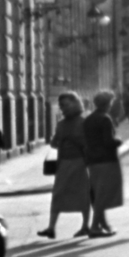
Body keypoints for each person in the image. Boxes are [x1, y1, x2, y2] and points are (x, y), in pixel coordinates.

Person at [38, 91, 92, 239]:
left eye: (66, 105)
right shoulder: (61, 124)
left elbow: (88, 144)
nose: (63, 109)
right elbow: (54, 143)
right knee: (57, 194)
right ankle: (51, 228)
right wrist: (60, 141)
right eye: (61, 106)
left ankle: (86, 226)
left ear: (75, 104)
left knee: (82, 195)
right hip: (63, 163)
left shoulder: (83, 122)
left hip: (79, 163)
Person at [83, 90, 123, 237]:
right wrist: (118, 140)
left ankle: (103, 224)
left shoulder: (89, 119)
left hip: (92, 160)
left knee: (99, 193)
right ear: (108, 103)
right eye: (111, 102)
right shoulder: (105, 118)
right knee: (103, 195)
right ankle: (94, 227)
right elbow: (108, 142)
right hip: (106, 160)